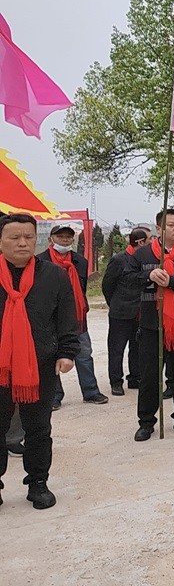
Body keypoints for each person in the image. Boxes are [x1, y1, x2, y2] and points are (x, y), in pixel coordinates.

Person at [0, 213, 80, 509]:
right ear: (1, 240)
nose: (23, 243)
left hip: (40, 363)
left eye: (29, 237)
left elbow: (67, 319)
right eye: (14, 237)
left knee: (39, 427)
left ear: (37, 239)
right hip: (0, 365)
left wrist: (67, 352)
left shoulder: (53, 275)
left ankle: (37, 482)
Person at [125, 209, 174, 441]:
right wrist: (148, 277)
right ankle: (146, 422)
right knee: (150, 375)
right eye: (171, 225)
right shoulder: (142, 256)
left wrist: (172, 281)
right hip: (152, 323)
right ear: (159, 229)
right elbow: (128, 279)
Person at [38, 224, 108, 408]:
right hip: (50, 317)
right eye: (60, 236)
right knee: (51, 356)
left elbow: (82, 288)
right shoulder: (40, 261)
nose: (65, 240)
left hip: (76, 316)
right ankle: (54, 396)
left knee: (84, 353)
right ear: (50, 239)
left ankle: (91, 391)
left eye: (68, 237)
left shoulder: (80, 261)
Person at [101, 228, 149, 396]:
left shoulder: (145, 259)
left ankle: (135, 378)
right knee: (117, 348)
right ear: (140, 242)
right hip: (121, 311)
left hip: (141, 310)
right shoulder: (119, 260)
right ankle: (116, 381)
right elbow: (108, 285)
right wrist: (114, 303)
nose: (152, 243)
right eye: (149, 240)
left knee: (138, 347)